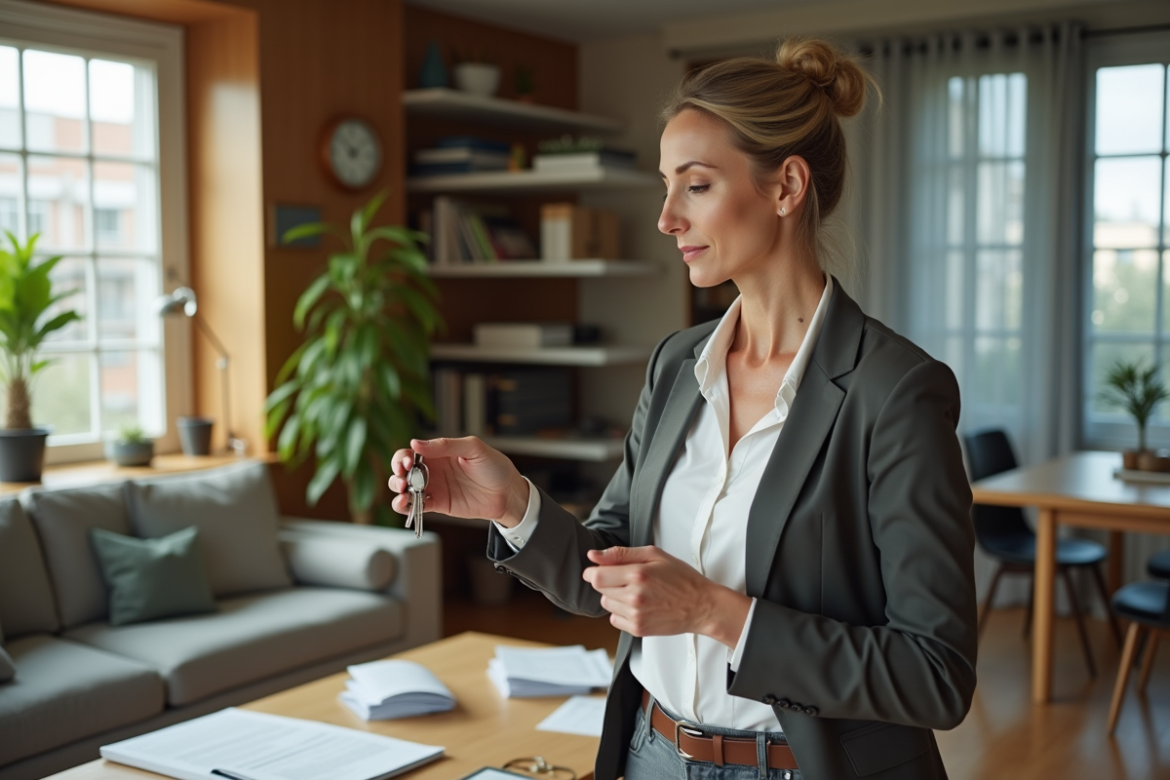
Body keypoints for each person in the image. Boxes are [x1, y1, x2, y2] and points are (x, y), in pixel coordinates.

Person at [390, 37, 977, 780]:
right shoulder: (676, 365)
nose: (667, 218)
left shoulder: (895, 391)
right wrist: (513, 505)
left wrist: (713, 611)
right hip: (652, 754)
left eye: (695, 186)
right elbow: (611, 570)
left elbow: (935, 673)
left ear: (787, 187)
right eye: (666, 187)